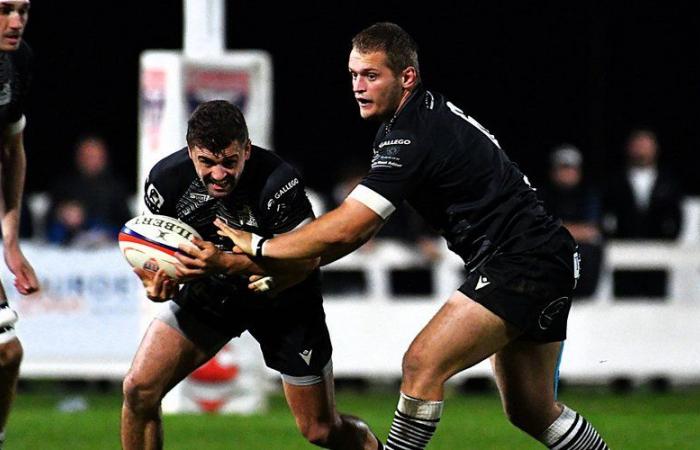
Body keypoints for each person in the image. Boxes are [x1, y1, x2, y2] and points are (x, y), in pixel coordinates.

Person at [220, 23, 610, 449]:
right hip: (542, 256)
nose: (358, 86)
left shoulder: (411, 133)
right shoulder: (412, 122)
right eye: (353, 75)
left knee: (422, 364)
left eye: (371, 75)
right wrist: (291, 263)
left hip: (520, 259)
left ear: (407, 77)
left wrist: (263, 246)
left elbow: (352, 224)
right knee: (531, 410)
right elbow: (355, 233)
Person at [121, 100, 382, 450]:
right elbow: (155, 249)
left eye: (229, 162)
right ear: (190, 152)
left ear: (246, 149)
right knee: (139, 389)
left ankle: (373, 447)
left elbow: (305, 260)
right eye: (206, 162)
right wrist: (155, 281)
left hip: (284, 300)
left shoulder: (277, 180)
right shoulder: (166, 180)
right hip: (212, 294)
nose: (218, 174)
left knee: (320, 430)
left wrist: (225, 263)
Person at [0, 2, 39, 449]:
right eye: (5, 10)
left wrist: (11, 240)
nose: (16, 22)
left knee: (7, 354)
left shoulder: (17, 60)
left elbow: (12, 149)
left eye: (23, 10)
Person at [539, 145, 603, 298]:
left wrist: (558, 228)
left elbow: (591, 231)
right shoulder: (542, 196)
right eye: (562, 168)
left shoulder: (588, 195)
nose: (567, 173)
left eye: (571, 168)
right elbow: (539, 229)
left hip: (582, 273)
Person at [46, 135, 132, 246]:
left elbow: (126, 224)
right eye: (87, 156)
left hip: (107, 248)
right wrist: (63, 214)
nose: (91, 161)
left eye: (95, 156)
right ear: (78, 157)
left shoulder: (116, 187)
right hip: (71, 248)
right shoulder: (64, 185)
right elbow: (48, 225)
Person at [603, 128, 683, 240]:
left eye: (646, 146)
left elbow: (675, 216)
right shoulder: (615, 182)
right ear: (628, 148)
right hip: (622, 246)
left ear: (655, 148)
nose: (641, 151)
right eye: (638, 146)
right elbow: (608, 216)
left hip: (660, 245)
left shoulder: (668, 183)